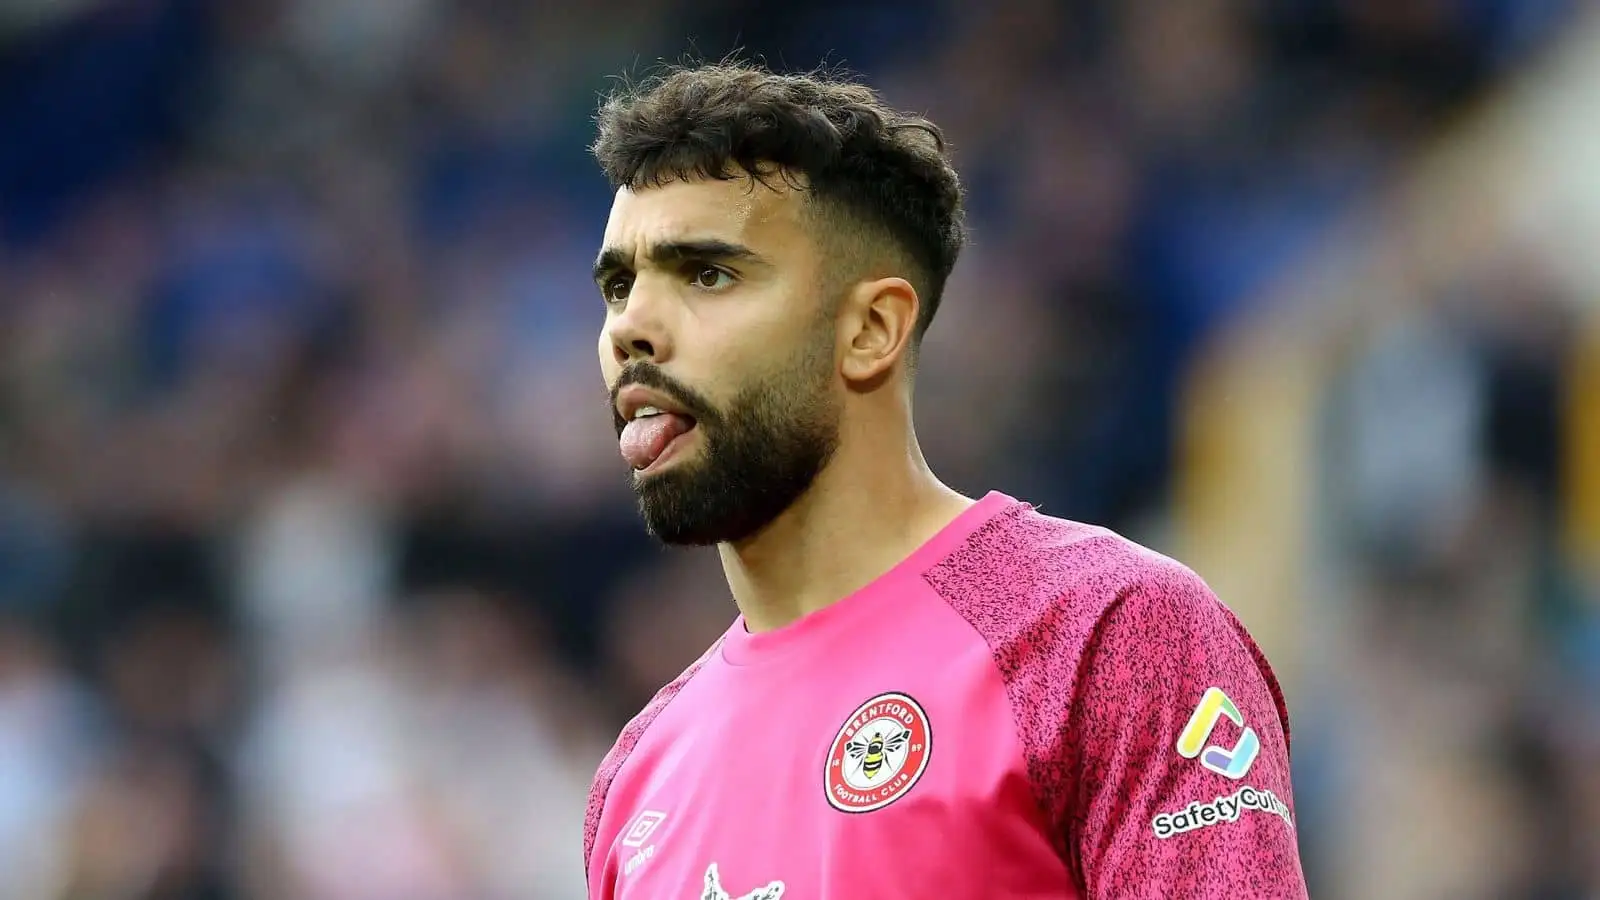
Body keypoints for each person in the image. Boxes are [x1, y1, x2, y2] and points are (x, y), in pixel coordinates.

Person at [584, 60, 1308, 900]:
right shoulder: (638, 776)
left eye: (707, 274)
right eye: (618, 285)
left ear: (871, 329)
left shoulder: (1104, 636)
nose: (630, 326)